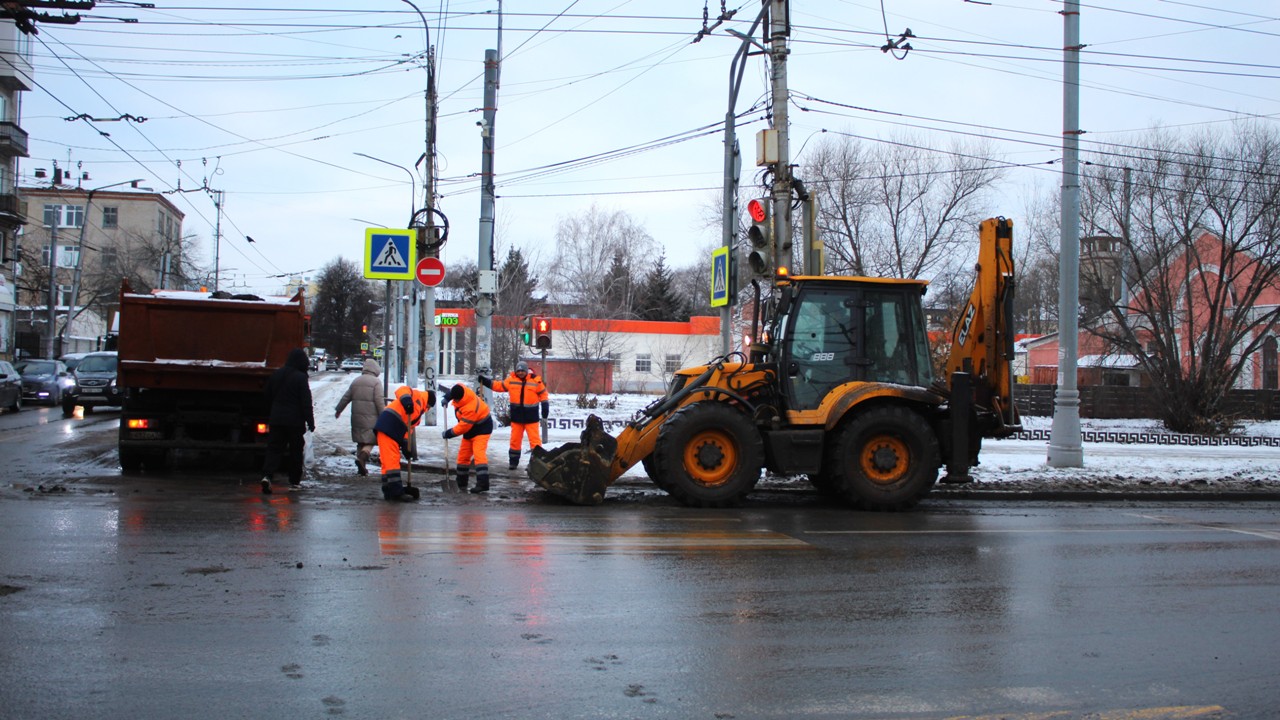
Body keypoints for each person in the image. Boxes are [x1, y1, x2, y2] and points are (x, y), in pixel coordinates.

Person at [261, 347, 315, 494]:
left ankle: (267, 475)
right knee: (295, 451)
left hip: (276, 419)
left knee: (274, 449)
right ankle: (294, 481)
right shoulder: (300, 377)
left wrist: (270, 414)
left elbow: (267, 396)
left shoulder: (276, 374)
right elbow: (306, 401)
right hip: (295, 422)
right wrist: (310, 421)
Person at [479, 360, 550, 470]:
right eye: (518, 370)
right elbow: (498, 386)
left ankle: (538, 464)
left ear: (526, 371)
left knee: (535, 441)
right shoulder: (511, 380)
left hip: (531, 418)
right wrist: (486, 382)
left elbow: (544, 395)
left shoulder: (536, 380)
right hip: (517, 417)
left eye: (522, 370)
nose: (520, 372)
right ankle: (513, 463)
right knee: (515, 441)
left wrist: (545, 407)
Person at [372, 385, 435, 501]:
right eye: (430, 407)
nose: (429, 409)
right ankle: (396, 492)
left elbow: (408, 428)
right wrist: (406, 401)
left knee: (387, 462)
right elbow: (401, 390)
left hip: (392, 430)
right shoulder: (417, 396)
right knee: (392, 460)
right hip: (388, 426)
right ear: (429, 403)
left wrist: (406, 444)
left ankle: (388, 490)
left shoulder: (419, 412)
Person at [441, 382, 494, 494]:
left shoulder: (470, 408)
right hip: (470, 429)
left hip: (482, 429)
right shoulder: (462, 389)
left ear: (459, 399)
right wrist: (447, 397)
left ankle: (483, 483)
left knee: (479, 454)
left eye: (455, 400)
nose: (454, 401)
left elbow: (462, 427)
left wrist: (448, 433)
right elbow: (454, 389)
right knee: (463, 456)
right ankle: (461, 482)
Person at [334, 358, 382, 476]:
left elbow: (346, 397)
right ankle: (363, 457)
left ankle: (362, 467)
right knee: (371, 440)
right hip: (371, 419)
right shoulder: (376, 382)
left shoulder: (356, 381)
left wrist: (338, 410)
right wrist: (384, 415)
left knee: (360, 442)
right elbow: (379, 401)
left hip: (356, 418)